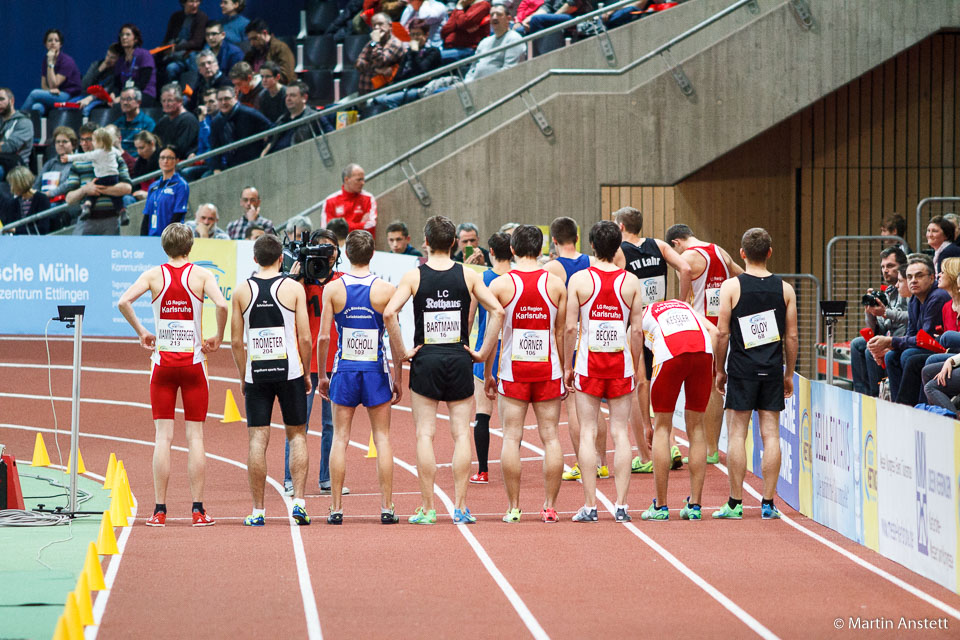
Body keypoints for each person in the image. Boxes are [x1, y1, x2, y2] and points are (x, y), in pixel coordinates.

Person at [384, 215, 504, 524]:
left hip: (426, 360)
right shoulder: (468, 276)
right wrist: (482, 352)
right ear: (453, 243)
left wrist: (402, 352)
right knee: (461, 435)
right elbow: (498, 311)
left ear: (425, 242)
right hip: (459, 358)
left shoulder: (414, 276)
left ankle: (428, 508)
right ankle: (461, 508)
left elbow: (388, 313)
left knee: (425, 434)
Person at [117, 223, 228, 527]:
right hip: (194, 365)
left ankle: (159, 510)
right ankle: (198, 510)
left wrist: (142, 331)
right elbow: (221, 303)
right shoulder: (202, 275)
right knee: (195, 438)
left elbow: (123, 301)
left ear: (164, 247)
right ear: (190, 247)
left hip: (162, 365)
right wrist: (217, 336)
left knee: (163, 438)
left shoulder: (154, 275)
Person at [316, 230, 401, 524]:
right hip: (376, 370)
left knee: (340, 438)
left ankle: (336, 509)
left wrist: (322, 376)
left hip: (345, 370)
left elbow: (324, 338)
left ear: (345, 255)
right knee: (383, 438)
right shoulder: (386, 290)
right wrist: (398, 377)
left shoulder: (333, 289)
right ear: (372, 253)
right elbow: (394, 339)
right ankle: (387, 508)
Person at [713, 227, 798, 520]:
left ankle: (735, 504)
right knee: (771, 434)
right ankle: (768, 503)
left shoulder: (730, 287)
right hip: (772, 370)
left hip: (741, 370)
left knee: (737, 434)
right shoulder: (785, 289)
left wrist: (719, 370)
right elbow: (792, 337)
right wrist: (789, 372)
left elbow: (722, 333)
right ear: (770, 253)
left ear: (742, 253)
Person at [230, 234, 314, 527]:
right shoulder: (292, 288)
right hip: (289, 372)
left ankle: (258, 511)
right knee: (297, 435)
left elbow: (236, 342)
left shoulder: (241, 291)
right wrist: (305, 372)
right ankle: (299, 503)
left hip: (257, 374)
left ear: (254, 259)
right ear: (282, 258)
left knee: (257, 439)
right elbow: (305, 336)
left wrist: (243, 375)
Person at [484, 226, 566, 522]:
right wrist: (565, 369)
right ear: (542, 249)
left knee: (511, 438)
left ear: (513, 250)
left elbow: (492, 336)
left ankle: (514, 507)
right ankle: (550, 506)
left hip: (513, 371)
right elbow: (560, 333)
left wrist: (487, 372)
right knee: (551, 438)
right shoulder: (556, 285)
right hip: (548, 369)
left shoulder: (501, 285)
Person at [564, 221, 643, 522]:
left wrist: (568, 365)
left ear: (592, 246)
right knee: (620, 432)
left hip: (589, 366)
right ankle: (621, 506)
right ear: (618, 247)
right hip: (620, 364)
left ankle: (590, 505)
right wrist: (635, 366)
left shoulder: (580, 280)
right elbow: (637, 330)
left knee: (588, 431)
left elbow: (571, 326)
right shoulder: (631, 281)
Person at [613, 206, 692, 473]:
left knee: (639, 384)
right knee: (660, 383)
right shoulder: (658, 245)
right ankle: (670, 445)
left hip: (635, 324)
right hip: (661, 320)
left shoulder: (619, 252)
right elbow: (685, 267)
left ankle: (646, 456)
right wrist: (680, 303)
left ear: (621, 227)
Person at [666, 223, 743, 465]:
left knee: (700, 388)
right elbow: (743, 277)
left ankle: (708, 450)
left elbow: (686, 270)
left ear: (677, 243)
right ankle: (711, 447)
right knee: (713, 388)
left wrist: (680, 302)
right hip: (722, 326)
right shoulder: (721, 251)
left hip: (700, 328)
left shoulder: (687, 257)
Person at [542, 217, 609, 482]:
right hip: (594, 334)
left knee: (574, 406)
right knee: (595, 408)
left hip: (568, 335)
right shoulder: (594, 263)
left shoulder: (550, 269)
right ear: (579, 238)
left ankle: (584, 463)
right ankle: (601, 463)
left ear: (554, 240)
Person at [639, 299, 717, 521]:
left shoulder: (641, 318)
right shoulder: (684, 306)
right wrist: (718, 371)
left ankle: (661, 506)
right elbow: (714, 331)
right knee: (697, 428)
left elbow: (640, 380)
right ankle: (695, 505)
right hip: (704, 351)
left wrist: (646, 424)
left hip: (670, 355)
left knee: (662, 427)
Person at [869, 254, 951, 404]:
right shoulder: (914, 299)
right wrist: (891, 346)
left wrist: (891, 341)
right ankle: (897, 403)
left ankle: (912, 405)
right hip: (927, 345)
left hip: (943, 347)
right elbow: (912, 334)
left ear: (932, 278)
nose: (913, 280)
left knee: (909, 355)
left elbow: (925, 338)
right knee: (891, 356)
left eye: (919, 276)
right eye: (910, 276)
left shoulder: (937, 297)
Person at [468, 232, 511, 484]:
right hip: (511, 353)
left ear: (490, 252)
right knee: (510, 420)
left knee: (482, 413)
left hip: (485, 352)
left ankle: (483, 470)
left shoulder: (481, 279)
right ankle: (510, 468)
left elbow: (470, 316)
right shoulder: (519, 278)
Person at [849, 247, 909, 396]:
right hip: (889, 336)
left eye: (890, 266)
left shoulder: (909, 288)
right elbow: (878, 328)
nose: (885, 270)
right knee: (857, 344)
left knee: (871, 349)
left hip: (903, 338)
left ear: (902, 267)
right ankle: (862, 395)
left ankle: (876, 397)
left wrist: (885, 312)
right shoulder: (888, 292)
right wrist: (870, 313)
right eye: (883, 267)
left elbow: (911, 316)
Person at [368, 19, 442, 113]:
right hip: (405, 88)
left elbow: (421, 70)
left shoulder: (432, 52)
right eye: (412, 34)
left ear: (426, 35)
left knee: (387, 101)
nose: (415, 38)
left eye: (418, 34)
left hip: (421, 88)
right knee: (375, 100)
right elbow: (399, 76)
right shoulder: (408, 53)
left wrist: (415, 52)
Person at [63, 128, 126, 217]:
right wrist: (84, 190)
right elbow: (69, 199)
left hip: (102, 178)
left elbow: (83, 156)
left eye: (90, 140)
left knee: (91, 192)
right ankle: (122, 211)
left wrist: (69, 157)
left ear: (100, 141)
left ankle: (87, 206)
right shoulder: (112, 149)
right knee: (117, 199)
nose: (87, 143)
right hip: (113, 177)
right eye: (82, 140)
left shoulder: (97, 153)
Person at [208, 85, 272, 171]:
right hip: (231, 165)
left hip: (254, 162)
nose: (223, 102)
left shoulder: (249, 113)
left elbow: (272, 129)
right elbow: (215, 149)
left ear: (235, 98)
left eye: (227, 98)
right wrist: (216, 169)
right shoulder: (216, 122)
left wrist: (265, 152)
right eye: (220, 100)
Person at [21, 29, 83, 115]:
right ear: (45, 44)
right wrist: (49, 91)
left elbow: (54, 84)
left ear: (60, 44)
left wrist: (50, 63)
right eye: (50, 40)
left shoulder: (67, 61)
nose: (53, 43)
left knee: (34, 94)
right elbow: (43, 85)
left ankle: (16, 120)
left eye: (56, 40)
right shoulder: (45, 60)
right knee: (37, 107)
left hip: (68, 96)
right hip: (53, 95)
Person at [463, 5, 525, 83]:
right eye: (492, 15)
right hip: (475, 86)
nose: (494, 17)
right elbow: (473, 68)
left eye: (499, 14)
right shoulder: (484, 41)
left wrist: (487, 83)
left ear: (508, 19)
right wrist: (467, 83)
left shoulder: (514, 38)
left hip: (496, 86)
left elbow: (509, 69)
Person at [261, 81, 320, 156]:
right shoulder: (282, 119)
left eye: (293, 95)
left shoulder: (314, 117)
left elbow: (330, 136)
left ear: (304, 98)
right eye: (287, 96)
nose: (288, 99)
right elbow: (271, 141)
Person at [141, 146, 189, 237]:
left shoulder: (181, 185)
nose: (165, 161)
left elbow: (178, 215)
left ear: (176, 160)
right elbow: (146, 215)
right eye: (162, 158)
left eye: (169, 158)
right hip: (151, 238)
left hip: (170, 238)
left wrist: (168, 238)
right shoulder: (153, 186)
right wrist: (143, 238)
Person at [319, 164, 378, 236]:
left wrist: (340, 227)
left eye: (363, 179)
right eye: (359, 180)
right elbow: (326, 230)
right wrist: (361, 225)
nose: (363, 183)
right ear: (346, 180)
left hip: (361, 245)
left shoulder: (368, 198)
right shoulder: (330, 201)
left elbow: (371, 224)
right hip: (338, 245)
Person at [159, 0, 210, 83]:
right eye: (191, 2)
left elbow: (197, 43)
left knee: (191, 58)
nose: (195, 5)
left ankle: (192, 91)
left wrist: (176, 48)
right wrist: (164, 48)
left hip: (190, 55)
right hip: (174, 54)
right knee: (168, 67)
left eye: (197, 1)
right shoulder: (176, 17)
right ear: (184, 3)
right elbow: (167, 38)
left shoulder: (202, 17)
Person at [355, 13, 405, 96]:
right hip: (364, 91)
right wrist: (376, 70)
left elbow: (380, 61)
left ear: (390, 26)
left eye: (380, 24)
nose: (377, 28)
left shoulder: (396, 44)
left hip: (382, 92)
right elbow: (358, 63)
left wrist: (377, 43)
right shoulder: (371, 43)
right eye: (374, 25)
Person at [114, 24, 157, 105]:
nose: (124, 37)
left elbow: (143, 83)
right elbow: (117, 84)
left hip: (144, 93)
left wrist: (123, 97)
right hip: (124, 95)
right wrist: (113, 94)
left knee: (123, 104)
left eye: (128, 34)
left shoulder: (144, 55)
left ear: (136, 39)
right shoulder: (120, 60)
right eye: (122, 35)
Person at [76, 44, 123, 115]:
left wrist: (89, 99)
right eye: (107, 55)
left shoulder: (118, 72)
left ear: (119, 59)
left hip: (102, 99)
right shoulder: (97, 64)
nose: (108, 60)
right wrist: (99, 70)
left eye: (112, 58)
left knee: (86, 110)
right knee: (65, 107)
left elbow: (107, 90)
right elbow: (84, 85)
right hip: (86, 95)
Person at [243, 19, 295, 84]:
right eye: (250, 40)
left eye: (255, 38)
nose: (252, 43)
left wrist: (257, 76)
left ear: (265, 33)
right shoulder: (251, 54)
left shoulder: (280, 48)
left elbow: (285, 76)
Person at [33, 126, 78, 202]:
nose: (60, 144)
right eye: (58, 142)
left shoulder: (77, 162)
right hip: (45, 200)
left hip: (65, 202)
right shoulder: (50, 163)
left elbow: (70, 184)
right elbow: (37, 183)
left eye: (64, 141)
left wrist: (49, 194)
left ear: (73, 145)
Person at [155, 84, 200, 158]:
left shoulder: (188, 120)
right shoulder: (162, 122)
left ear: (180, 101)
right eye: (163, 101)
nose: (166, 104)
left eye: (170, 100)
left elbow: (180, 149)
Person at [3, 167, 52, 235]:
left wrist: (15, 230)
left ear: (20, 184)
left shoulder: (42, 199)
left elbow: (43, 228)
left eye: (12, 184)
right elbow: (8, 226)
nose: (11, 188)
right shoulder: (13, 203)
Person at [0, 88, 34, 180]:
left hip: (17, 168)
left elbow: (9, 147)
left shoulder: (24, 122)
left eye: (1, 99)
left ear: (12, 101)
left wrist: (3, 145)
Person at [113, 87, 156, 158]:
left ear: (138, 102)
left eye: (128, 99)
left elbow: (148, 149)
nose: (125, 103)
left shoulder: (148, 123)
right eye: (122, 99)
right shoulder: (118, 123)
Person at [516, 0, 593, 35]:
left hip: (576, 17)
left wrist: (553, 17)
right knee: (519, 30)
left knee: (537, 20)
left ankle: (539, 54)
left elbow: (572, 5)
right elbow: (547, 6)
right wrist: (529, 18)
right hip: (556, 16)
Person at [131, 131, 161, 200]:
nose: (139, 152)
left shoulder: (164, 158)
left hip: (159, 195)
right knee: (127, 198)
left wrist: (148, 194)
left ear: (152, 144)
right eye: (137, 148)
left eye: (142, 148)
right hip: (142, 197)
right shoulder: (138, 164)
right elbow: (135, 186)